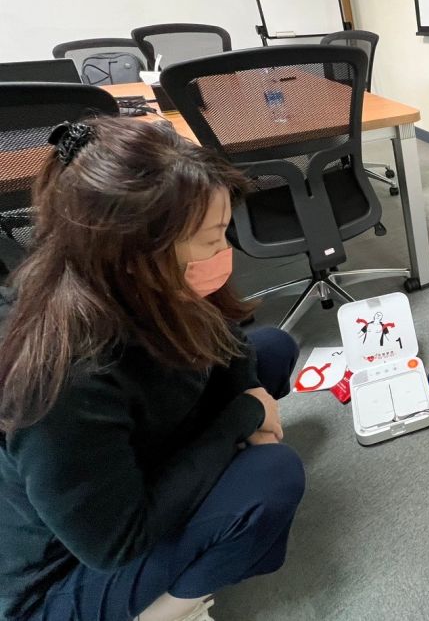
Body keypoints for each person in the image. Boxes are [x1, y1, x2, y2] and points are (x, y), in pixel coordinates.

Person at [0, 117, 305, 621]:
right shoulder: (59, 380)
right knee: (270, 478)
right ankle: (169, 611)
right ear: (137, 252)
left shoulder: (125, 277)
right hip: (62, 575)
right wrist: (243, 418)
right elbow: (116, 543)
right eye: (212, 238)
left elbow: (226, 339)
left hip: (125, 458)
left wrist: (249, 392)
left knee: (268, 349)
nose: (225, 250)